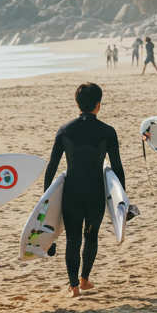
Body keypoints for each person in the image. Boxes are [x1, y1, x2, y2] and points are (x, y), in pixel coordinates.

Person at [41, 83, 125, 294]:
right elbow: (117, 167)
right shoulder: (108, 131)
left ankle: (74, 286)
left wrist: (46, 199)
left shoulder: (65, 130)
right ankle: (85, 278)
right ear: (98, 105)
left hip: (72, 193)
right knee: (91, 235)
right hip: (95, 193)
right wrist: (122, 198)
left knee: (73, 238)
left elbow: (51, 168)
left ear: (77, 104)